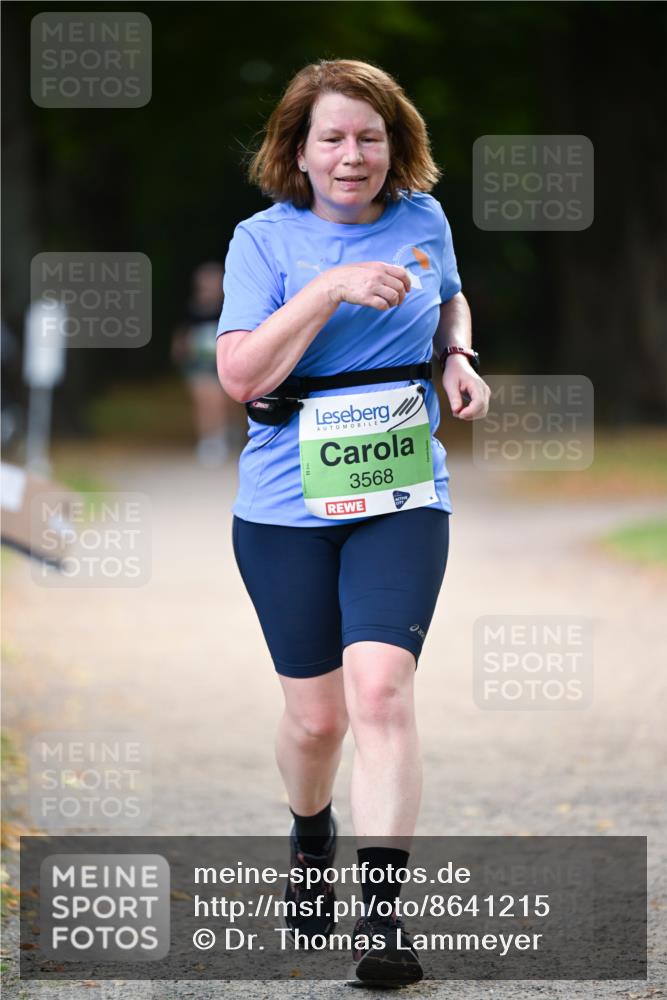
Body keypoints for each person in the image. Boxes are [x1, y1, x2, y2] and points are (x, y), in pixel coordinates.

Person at [216, 58, 490, 987]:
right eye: (331, 138)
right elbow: (241, 376)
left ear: (393, 145)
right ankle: (308, 829)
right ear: (297, 149)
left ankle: (383, 925)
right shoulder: (263, 240)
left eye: (369, 137)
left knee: (379, 693)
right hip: (285, 505)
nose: (351, 155)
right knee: (317, 719)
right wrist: (330, 289)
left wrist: (456, 352)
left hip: (400, 494)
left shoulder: (423, 218)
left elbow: (446, 289)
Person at [171, 261, 241, 467]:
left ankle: (230, 430)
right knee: (204, 400)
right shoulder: (191, 308)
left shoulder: (230, 306)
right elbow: (182, 334)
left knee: (224, 401)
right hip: (199, 362)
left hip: (223, 361)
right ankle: (210, 440)